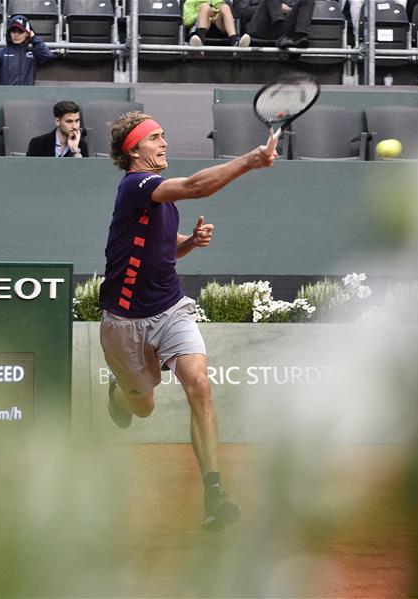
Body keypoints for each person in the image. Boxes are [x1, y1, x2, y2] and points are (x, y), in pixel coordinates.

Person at [99, 111, 278, 531]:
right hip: (125, 321)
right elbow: (198, 186)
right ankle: (119, 393)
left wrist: (190, 244)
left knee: (199, 383)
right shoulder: (135, 185)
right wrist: (250, 160)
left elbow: (161, 249)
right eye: (155, 138)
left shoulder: (162, 199)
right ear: (133, 150)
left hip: (170, 308)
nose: (164, 143)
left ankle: (214, 495)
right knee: (142, 407)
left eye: (164, 135)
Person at [0, 15, 54, 86]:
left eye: (20, 31)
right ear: (9, 33)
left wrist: (34, 38)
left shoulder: (32, 53)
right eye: (13, 31)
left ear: (27, 33)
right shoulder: (0, 53)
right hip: (5, 96)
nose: (16, 35)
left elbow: (47, 55)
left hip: (26, 96)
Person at [237, 0, 317, 48]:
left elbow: (296, 9)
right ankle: (282, 36)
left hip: (284, 27)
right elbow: (244, 12)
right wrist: (274, 8)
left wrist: (288, 10)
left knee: (308, 1)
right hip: (259, 26)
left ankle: (300, 38)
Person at [183, 0, 251, 47]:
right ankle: (199, 43)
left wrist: (215, 15)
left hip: (218, 27)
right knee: (205, 7)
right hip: (199, 29)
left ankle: (235, 42)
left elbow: (221, 10)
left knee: (225, 7)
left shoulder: (217, 1)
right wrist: (203, 14)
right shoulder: (190, 2)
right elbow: (187, 21)